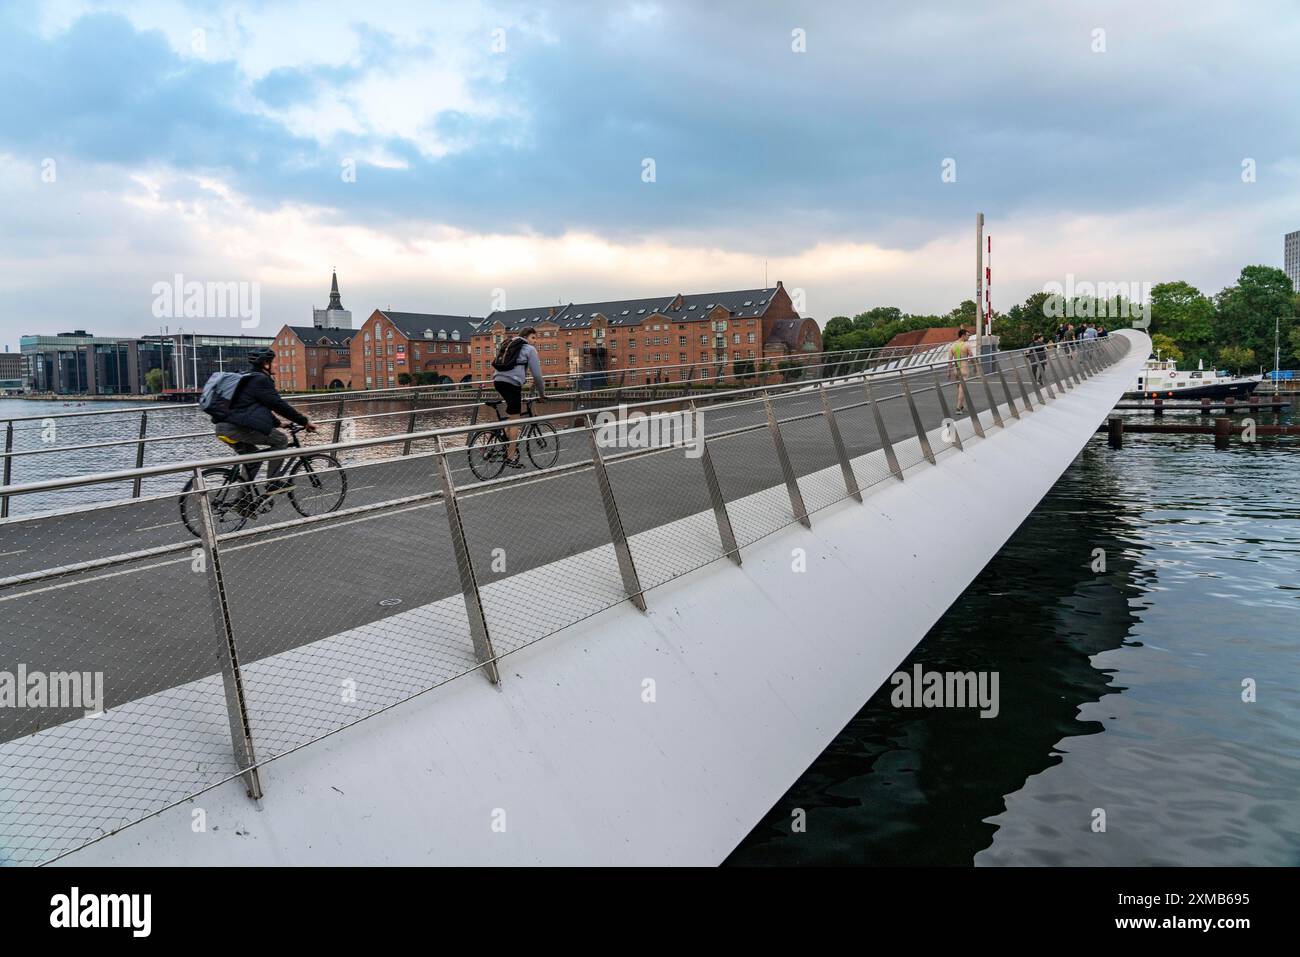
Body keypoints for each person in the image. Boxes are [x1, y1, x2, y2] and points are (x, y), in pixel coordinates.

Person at [215, 349, 316, 507]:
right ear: (265, 364)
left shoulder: (248, 378)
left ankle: (243, 502)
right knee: (281, 440)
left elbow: (256, 408)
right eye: (274, 361)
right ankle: (273, 482)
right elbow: (278, 405)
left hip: (223, 427)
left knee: (253, 459)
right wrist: (304, 422)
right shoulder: (261, 380)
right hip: (236, 428)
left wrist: (278, 424)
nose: (276, 365)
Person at [490, 327, 547, 467]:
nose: (535, 341)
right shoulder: (529, 349)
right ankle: (510, 457)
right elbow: (538, 376)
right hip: (512, 384)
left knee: (511, 414)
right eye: (533, 337)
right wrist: (542, 394)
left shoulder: (508, 343)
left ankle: (500, 435)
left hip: (498, 381)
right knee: (515, 421)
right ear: (526, 337)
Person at [948, 327, 971, 413]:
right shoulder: (967, 345)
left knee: (960, 389)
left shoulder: (952, 346)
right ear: (963, 335)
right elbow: (972, 357)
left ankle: (961, 405)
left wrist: (948, 371)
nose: (969, 337)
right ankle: (958, 407)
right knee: (962, 389)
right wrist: (976, 367)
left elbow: (950, 360)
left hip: (956, 369)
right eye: (968, 335)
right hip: (964, 369)